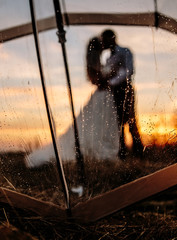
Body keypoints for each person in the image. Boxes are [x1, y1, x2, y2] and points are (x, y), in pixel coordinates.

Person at [25, 37, 119, 168]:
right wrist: (107, 78)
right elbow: (96, 79)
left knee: (102, 124)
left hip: (104, 95)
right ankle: (98, 153)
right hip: (102, 94)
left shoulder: (99, 61)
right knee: (97, 124)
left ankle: (103, 153)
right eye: (102, 44)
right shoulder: (95, 64)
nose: (104, 46)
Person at [100, 29, 144, 159]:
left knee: (131, 119)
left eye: (106, 39)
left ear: (112, 38)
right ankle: (122, 153)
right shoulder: (108, 58)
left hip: (125, 89)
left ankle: (139, 152)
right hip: (112, 93)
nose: (104, 42)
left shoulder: (125, 51)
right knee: (116, 123)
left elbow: (129, 71)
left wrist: (111, 82)